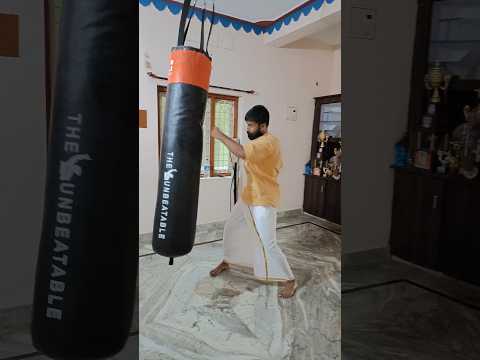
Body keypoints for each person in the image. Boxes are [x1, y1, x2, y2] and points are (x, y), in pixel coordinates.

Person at [209, 105, 297, 298]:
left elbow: (242, 152)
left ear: (263, 126)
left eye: (251, 125)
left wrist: (219, 135)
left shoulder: (269, 142)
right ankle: (229, 259)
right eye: (247, 125)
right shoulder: (259, 141)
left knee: (268, 242)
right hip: (249, 196)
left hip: (264, 199)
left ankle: (289, 279)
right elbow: (243, 153)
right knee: (232, 227)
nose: (248, 129)